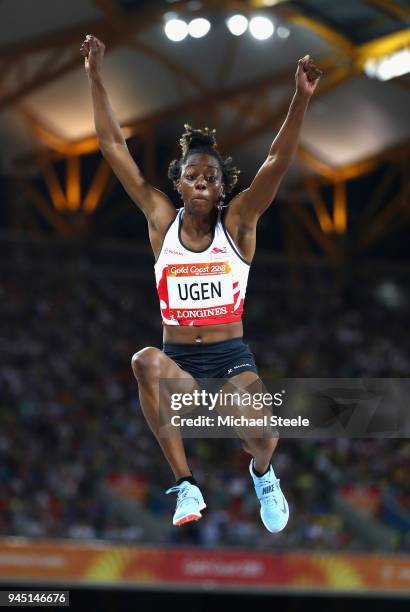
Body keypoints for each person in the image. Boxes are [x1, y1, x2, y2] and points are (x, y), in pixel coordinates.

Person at [81, 34, 322, 532]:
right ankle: (185, 484)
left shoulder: (238, 226)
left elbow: (276, 163)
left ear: (222, 187)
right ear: (179, 182)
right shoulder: (159, 219)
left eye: (212, 177)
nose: (203, 182)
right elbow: (111, 147)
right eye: (194, 174)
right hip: (181, 363)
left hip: (231, 359)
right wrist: (95, 77)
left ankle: (263, 475)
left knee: (262, 435)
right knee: (143, 361)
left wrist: (300, 98)